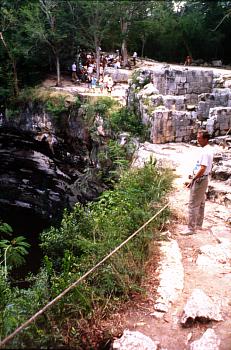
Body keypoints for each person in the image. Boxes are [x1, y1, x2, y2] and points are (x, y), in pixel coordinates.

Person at [180, 129, 214, 235]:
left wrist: (193, 179)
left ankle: (191, 228)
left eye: (199, 138)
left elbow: (202, 168)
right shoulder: (208, 149)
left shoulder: (205, 151)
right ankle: (198, 224)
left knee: (193, 204)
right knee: (201, 202)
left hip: (200, 179)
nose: (197, 140)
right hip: (204, 178)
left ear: (205, 139)